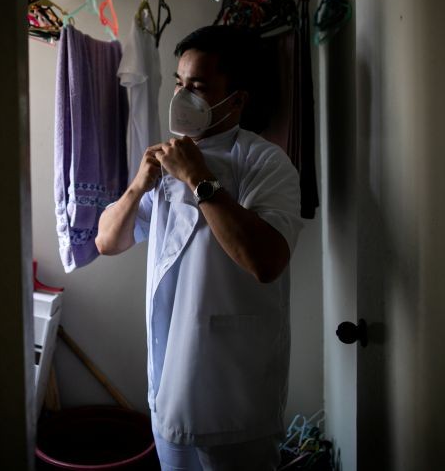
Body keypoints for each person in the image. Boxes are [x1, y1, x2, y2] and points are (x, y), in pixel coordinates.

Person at [95, 25, 304, 470]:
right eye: (178, 83)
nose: (181, 97)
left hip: (235, 395)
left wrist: (198, 179)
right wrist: (138, 185)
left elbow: (267, 262)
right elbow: (106, 241)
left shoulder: (266, 163)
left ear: (238, 99)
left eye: (198, 87)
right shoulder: (167, 160)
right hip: (170, 385)